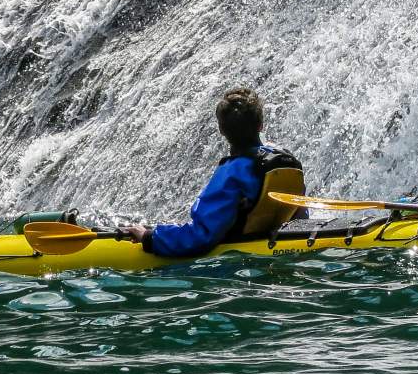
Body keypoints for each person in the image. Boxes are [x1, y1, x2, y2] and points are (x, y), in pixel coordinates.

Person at [119, 88, 304, 256]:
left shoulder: (233, 172)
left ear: (221, 129)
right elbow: (299, 214)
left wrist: (149, 237)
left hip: (235, 258)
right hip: (281, 245)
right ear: (260, 125)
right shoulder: (286, 160)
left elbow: (201, 235)